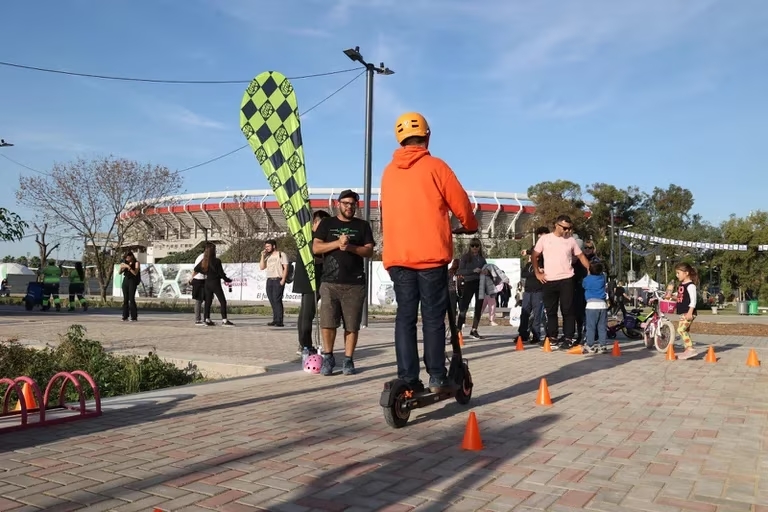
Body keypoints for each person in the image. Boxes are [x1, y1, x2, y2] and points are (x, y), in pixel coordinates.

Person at [381, 111, 478, 393]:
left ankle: (408, 378)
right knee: (434, 317)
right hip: (430, 256)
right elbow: (461, 205)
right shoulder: (436, 166)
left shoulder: (388, 172)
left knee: (405, 317)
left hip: (398, 256)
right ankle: (437, 376)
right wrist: (469, 225)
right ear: (428, 135)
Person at [313, 189, 375, 376]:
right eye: (346, 203)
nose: (349, 207)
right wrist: (337, 243)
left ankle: (348, 360)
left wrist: (350, 247)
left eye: (353, 204)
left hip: (354, 283)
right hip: (330, 282)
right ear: (338, 204)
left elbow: (369, 251)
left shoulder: (362, 226)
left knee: (351, 325)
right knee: (328, 323)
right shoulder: (327, 224)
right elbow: (316, 247)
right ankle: (329, 357)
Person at [531, 215, 590, 350]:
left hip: (566, 279)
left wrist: (590, 270)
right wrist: (537, 273)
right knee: (550, 311)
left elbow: (581, 256)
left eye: (569, 228)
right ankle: (552, 337)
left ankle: (568, 337)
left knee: (568, 309)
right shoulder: (545, 239)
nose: (567, 231)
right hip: (549, 279)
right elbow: (535, 255)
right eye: (565, 228)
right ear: (557, 225)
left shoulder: (570, 241)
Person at [292, 210, 331, 360]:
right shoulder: (312, 239)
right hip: (311, 279)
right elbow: (315, 258)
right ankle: (305, 345)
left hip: (309, 278)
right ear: (315, 222)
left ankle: (304, 344)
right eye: (323, 223)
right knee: (307, 313)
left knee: (305, 313)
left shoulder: (308, 237)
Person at [518, 226, 549, 344]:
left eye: (543, 234)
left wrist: (529, 252)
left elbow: (541, 253)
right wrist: (535, 272)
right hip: (528, 290)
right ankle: (522, 334)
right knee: (524, 313)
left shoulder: (546, 257)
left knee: (537, 315)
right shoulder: (530, 264)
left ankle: (536, 335)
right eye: (539, 235)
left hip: (538, 290)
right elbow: (524, 273)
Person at [195, 242, 234, 327]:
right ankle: (224, 320)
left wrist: (205, 272)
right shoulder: (217, 261)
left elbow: (196, 269)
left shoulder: (204, 261)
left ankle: (206, 319)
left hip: (207, 283)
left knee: (208, 302)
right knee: (222, 301)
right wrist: (227, 280)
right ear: (214, 251)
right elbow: (221, 273)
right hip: (215, 283)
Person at [456, 238, 488, 339]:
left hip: (480, 283)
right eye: (472, 246)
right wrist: (473, 270)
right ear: (470, 247)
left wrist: (486, 271)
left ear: (479, 247)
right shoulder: (465, 257)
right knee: (464, 307)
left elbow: (486, 268)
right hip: (469, 283)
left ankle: (474, 329)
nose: (475, 248)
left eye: (477, 246)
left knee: (478, 307)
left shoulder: (482, 258)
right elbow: (459, 271)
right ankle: (458, 329)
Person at [260, 239, 289, 327]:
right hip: (269, 280)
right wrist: (262, 256)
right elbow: (261, 267)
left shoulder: (281, 254)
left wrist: (283, 279)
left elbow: (286, 267)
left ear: (274, 246)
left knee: (277, 300)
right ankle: (275, 319)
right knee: (272, 300)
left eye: (268, 246)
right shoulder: (268, 257)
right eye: (266, 247)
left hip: (278, 279)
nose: (267, 248)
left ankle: (280, 321)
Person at [582, 260, 609, 354]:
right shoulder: (603, 278)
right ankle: (603, 346)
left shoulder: (586, 279)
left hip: (591, 305)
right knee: (602, 326)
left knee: (590, 327)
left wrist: (588, 273)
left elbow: (584, 286)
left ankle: (590, 345)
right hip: (602, 305)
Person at [674, 262, 699, 360]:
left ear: (686, 273)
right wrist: (671, 296)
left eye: (678, 273)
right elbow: (680, 296)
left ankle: (690, 348)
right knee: (685, 331)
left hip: (688, 312)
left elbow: (693, 300)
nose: (677, 275)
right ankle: (687, 350)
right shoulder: (681, 285)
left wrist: (690, 312)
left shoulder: (690, 285)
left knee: (681, 330)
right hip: (683, 312)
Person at [120, 252, 140, 321]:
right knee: (125, 299)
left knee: (131, 298)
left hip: (132, 280)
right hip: (126, 280)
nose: (127, 259)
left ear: (131, 256)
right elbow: (120, 272)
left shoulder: (136, 263)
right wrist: (122, 267)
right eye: (126, 258)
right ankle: (125, 316)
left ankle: (134, 316)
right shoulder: (125, 263)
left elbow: (135, 273)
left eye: (128, 257)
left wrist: (129, 267)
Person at [190, 249, 207, 325]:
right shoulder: (202, 257)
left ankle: (206, 318)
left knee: (206, 299)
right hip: (199, 280)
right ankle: (198, 319)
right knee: (199, 300)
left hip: (204, 280)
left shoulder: (207, 257)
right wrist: (191, 278)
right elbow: (196, 269)